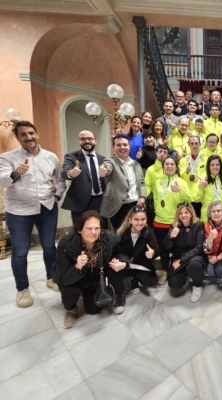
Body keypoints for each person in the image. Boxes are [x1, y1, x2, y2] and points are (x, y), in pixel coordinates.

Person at [0, 120, 66, 307]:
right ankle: (22, 289)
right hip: (19, 211)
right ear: (17, 137)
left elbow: (60, 180)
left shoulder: (51, 156)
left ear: (37, 134)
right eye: (23, 134)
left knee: (49, 247)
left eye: (31, 133)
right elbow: (3, 181)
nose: (28, 137)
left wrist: (57, 196)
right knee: (20, 252)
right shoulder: (7, 158)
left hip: (47, 207)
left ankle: (51, 278)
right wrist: (16, 173)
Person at [52, 211, 129, 328]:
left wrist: (123, 263)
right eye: (88, 228)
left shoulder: (108, 238)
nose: (93, 232)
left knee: (93, 309)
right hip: (78, 278)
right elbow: (63, 278)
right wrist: (77, 267)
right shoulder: (66, 244)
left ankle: (118, 294)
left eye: (97, 228)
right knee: (69, 288)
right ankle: (71, 310)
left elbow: (121, 254)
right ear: (79, 229)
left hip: (97, 276)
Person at [151, 156, 192, 284]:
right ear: (163, 167)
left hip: (175, 221)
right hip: (159, 221)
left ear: (176, 167)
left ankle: (180, 269)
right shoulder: (158, 181)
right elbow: (156, 199)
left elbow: (190, 199)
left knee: (178, 248)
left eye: (171, 164)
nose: (169, 166)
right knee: (163, 249)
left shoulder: (181, 181)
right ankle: (165, 271)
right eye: (166, 164)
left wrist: (180, 191)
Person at [62, 130, 110, 226]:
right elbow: (64, 172)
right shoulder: (71, 157)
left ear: (95, 141)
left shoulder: (103, 159)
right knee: (80, 231)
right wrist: (71, 173)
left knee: (102, 229)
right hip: (80, 202)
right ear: (79, 141)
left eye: (89, 139)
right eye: (83, 139)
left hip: (100, 201)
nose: (86, 141)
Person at [100, 135, 146, 231]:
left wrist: (142, 196)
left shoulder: (136, 164)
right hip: (119, 206)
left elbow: (141, 182)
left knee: (136, 232)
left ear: (129, 146)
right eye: (118, 145)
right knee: (121, 235)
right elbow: (107, 167)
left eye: (125, 145)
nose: (122, 147)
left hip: (135, 204)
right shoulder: (110, 161)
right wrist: (104, 170)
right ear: (114, 147)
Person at [163, 203, 207, 302]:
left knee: (194, 266)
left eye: (186, 212)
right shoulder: (175, 226)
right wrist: (170, 237)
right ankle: (186, 274)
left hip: (195, 257)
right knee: (174, 283)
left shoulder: (199, 225)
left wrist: (181, 261)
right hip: (179, 257)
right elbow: (166, 246)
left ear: (191, 214)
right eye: (181, 213)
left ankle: (197, 286)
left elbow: (199, 248)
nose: (183, 215)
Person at [117, 206, 160, 294]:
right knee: (115, 275)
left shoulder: (148, 232)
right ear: (130, 220)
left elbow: (155, 247)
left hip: (140, 263)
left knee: (152, 281)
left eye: (143, 219)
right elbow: (117, 252)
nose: (140, 223)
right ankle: (120, 294)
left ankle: (134, 278)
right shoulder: (121, 233)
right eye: (136, 219)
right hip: (124, 263)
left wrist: (152, 252)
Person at [197, 155, 222, 222]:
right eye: (212, 165)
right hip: (208, 216)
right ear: (208, 166)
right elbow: (197, 199)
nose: (215, 167)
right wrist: (200, 188)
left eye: (217, 164)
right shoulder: (203, 178)